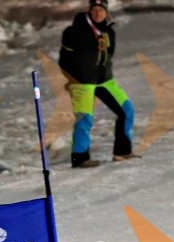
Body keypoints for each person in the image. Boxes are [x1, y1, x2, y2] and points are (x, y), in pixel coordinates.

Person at [59, 0, 137, 168]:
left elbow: (108, 56)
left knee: (126, 110)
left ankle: (122, 152)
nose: (97, 13)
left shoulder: (109, 32)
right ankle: (80, 158)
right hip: (82, 82)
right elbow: (64, 60)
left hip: (104, 80)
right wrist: (72, 79)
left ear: (106, 12)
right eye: (94, 9)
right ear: (89, 11)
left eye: (101, 10)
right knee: (84, 118)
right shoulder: (74, 31)